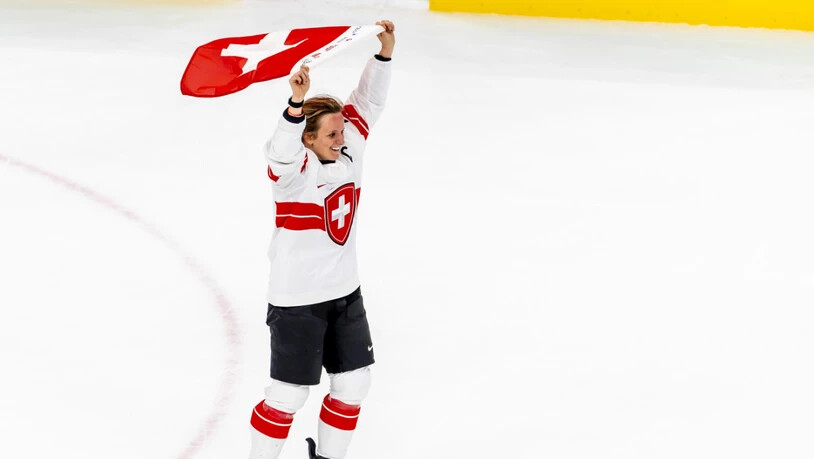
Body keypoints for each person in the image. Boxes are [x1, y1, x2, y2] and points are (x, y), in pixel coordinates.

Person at [248, 20, 395, 459]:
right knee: (288, 396)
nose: (341, 137)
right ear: (308, 138)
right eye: (331, 133)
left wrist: (383, 53)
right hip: (297, 300)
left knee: (354, 384)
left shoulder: (350, 153)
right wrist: (295, 104)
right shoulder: (294, 176)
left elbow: (368, 102)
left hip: (345, 294)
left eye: (342, 131)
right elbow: (280, 151)